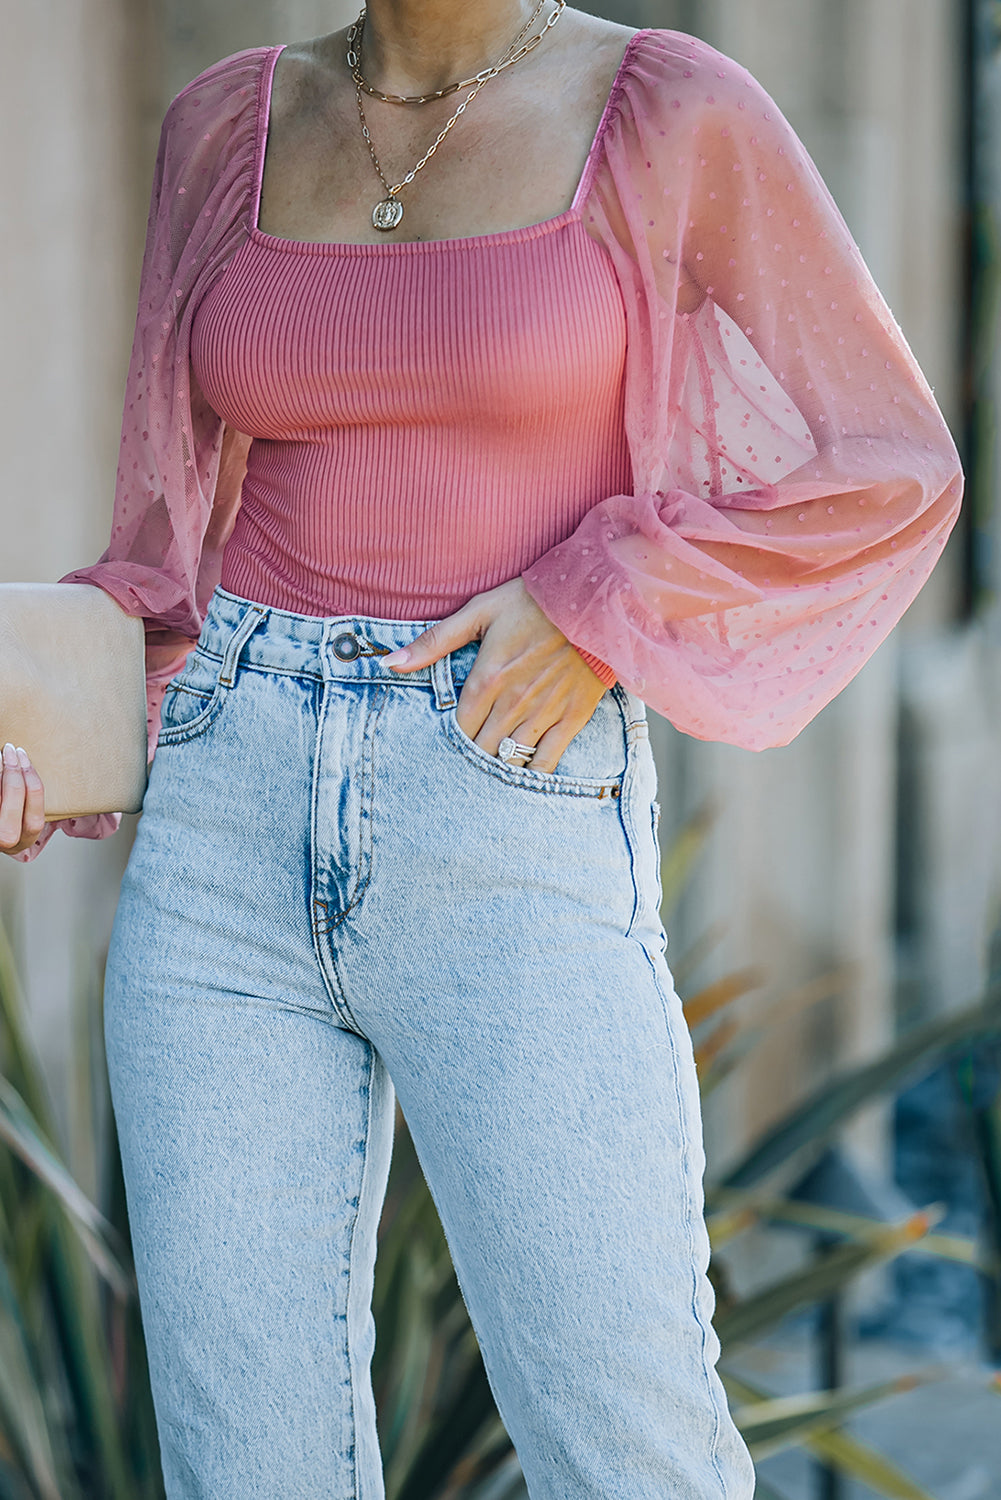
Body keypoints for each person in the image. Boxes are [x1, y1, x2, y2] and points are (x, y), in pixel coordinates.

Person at [1, 3, 961, 1495]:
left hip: (503, 804)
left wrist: (599, 607)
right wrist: (39, 718)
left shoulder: (668, 110)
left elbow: (880, 464)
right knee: (241, 1459)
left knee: (622, 1441)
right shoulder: (223, 122)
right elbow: (163, 543)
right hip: (220, 825)